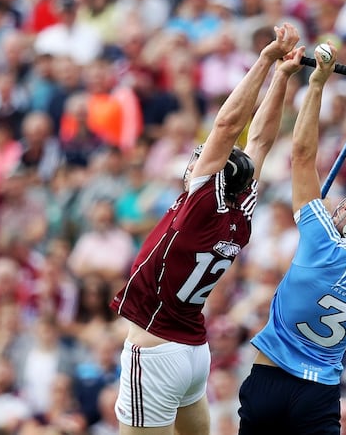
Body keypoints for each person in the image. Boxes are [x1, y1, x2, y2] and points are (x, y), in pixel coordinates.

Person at [109, 22, 304, 435]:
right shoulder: (242, 211)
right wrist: (283, 79)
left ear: (214, 175)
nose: (195, 162)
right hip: (193, 352)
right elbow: (262, 143)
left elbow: (228, 126)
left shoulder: (200, 205)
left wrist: (267, 59)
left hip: (156, 351)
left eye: (202, 159)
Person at [237, 42, 346, 434]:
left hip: (270, 382)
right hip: (320, 396)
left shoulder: (322, 243)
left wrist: (316, 83)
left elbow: (300, 154)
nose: (343, 206)